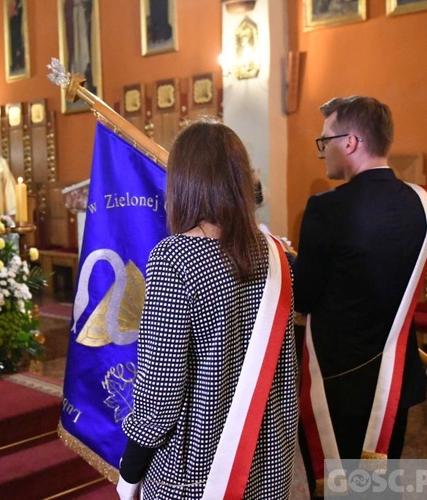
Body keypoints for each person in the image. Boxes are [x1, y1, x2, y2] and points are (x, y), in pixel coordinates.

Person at [117, 119, 297, 498]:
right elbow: (285, 370)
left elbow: (160, 395)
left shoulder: (175, 257)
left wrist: (130, 471)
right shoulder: (274, 254)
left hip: (200, 472)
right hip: (267, 462)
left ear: (182, 182)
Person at [294, 96, 427, 497]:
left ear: (350, 142)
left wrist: (281, 259)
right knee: (379, 488)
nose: (322, 149)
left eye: (325, 139)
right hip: (395, 382)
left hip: (334, 383)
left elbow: (305, 297)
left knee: (336, 489)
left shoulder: (325, 210)